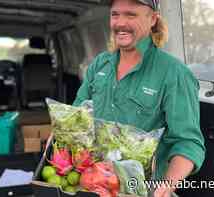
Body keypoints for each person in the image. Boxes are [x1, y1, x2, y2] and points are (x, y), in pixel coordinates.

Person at [73, 0, 206, 196]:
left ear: (152, 19)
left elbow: (188, 143)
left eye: (130, 15)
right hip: (94, 184)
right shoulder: (100, 64)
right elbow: (77, 118)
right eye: (115, 14)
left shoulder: (174, 73)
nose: (120, 23)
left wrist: (166, 186)